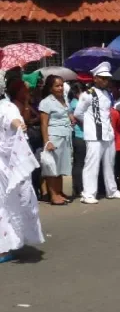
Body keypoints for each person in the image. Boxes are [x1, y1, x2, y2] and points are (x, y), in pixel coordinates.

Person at [0, 72, 45, 264]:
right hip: (6, 163)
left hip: (6, 162)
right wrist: (19, 124)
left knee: (7, 202)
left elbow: (15, 120)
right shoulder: (8, 106)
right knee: (8, 203)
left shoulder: (7, 106)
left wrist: (20, 124)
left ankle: (7, 245)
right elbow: (13, 120)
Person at [74, 62, 120, 204]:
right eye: (103, 78)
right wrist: (91, 124)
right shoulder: (87, 94)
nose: (106, 81)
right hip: (94, 135)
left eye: (107, 78)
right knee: (92, 165)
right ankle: (88, 194)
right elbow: (78, 113)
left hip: (108, 133)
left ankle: (112, 190)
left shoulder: (107, 94)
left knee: (109, 163)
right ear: (95, 78)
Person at [38, 75, 73, 206]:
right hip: (54, 137)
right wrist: (47, 141)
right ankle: (53, 195)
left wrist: (70, 118)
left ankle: (59, 192)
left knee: (61, 166)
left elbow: (66, 113)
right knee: (52, 167)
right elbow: (44, 123)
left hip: (65, 136)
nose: (60, 88)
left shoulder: (64, 99)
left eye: (61, 85)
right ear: (50, 88)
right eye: (57, 86)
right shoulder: (46, 102)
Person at [68, 83, 86, 198]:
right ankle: (79, 188)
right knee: (79, 163)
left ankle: (78, 187)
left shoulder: (74, 103)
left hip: (81, 135)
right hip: (80, 135)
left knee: (79, 162)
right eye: (81, 92)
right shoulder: (76, 104)